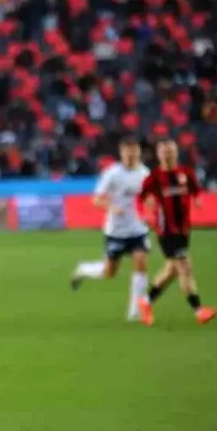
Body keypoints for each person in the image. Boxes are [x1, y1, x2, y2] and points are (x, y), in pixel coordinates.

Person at [136, 139, 217, 326]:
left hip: (184, 229)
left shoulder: (186, 173)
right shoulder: (154, 177)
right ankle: (199, 310)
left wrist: (198, 200)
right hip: (166, 230)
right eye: (164, 151)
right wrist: (145, 214)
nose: (167, 154)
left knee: (172, 270)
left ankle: (145, 302)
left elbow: (196, 191)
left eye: (170, 151)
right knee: (185, 267)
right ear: (158, 154)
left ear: (176, 152)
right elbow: (139, 199)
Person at [70, 136, 151, 321]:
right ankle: (83, 269)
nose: (131, 154)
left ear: (139, 152)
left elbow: (149, 198)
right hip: (116, 230)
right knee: (109, 272)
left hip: (138, 229)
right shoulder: (112, 173)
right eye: (127, 151)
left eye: (134, 150)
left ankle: (135, 312)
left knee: (140, 261)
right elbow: (96, 199)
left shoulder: (145, 173)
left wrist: (150, 209)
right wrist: (112, 207)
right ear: (122, 153)